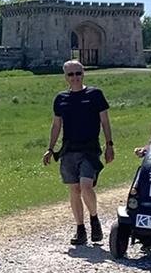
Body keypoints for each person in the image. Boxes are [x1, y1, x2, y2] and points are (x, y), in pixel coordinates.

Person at [42, 60, 114, 245]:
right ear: (65, 77)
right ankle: (80, 229)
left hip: (90, 149)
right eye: (71, 74)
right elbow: (56, 125)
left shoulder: (95, 94)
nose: (75, 78)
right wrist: (50, 148)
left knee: (86, 185)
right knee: (74, 189)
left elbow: (105, 121)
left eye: (78, 73)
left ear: (83, 74)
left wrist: (109, 144)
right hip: (68, 150)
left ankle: (94, 218)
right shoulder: (61, 98)